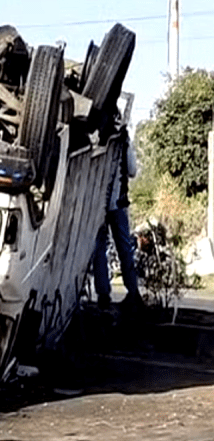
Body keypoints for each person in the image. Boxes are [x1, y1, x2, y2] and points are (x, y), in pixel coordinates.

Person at [93, 128, 141, 310]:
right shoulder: (123, 142)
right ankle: (132, 291)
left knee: (100, 247)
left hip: (100, 204)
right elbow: (132, 170)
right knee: (124, 247)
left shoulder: (99, 139)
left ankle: (103, 294)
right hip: (118, 202)